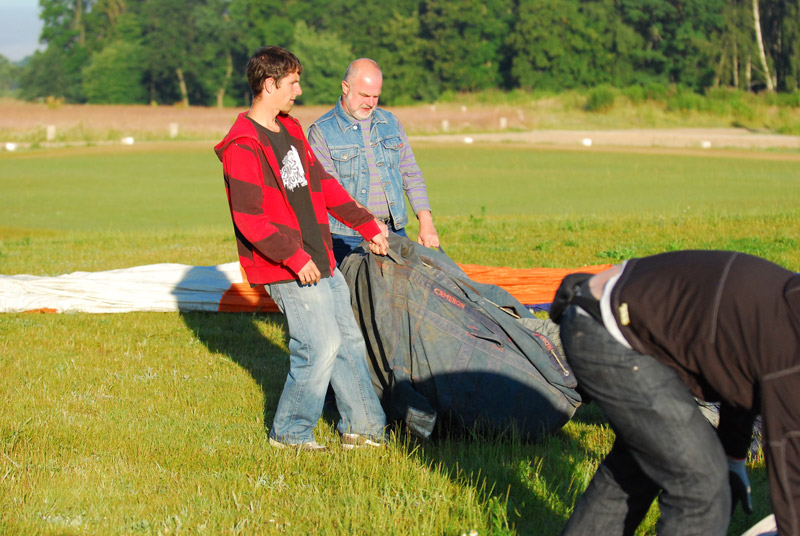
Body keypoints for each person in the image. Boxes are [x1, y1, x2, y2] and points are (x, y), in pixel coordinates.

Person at [549, 250, 799, 536]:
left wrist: (734, 458)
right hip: (605, 328)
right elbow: (791, 474)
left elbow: (741, 381)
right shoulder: (791, 351)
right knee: (701, 484)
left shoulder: (786, 313)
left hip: (618, 319)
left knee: (643, 461)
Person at [214, 46, 389, 450]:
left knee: (348, 340)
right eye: (292, 82)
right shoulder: (242, 145)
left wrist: (365, 223)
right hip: (288, 265)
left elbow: (322, 183)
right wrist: (294, 257)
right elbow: (250, 219)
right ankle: (290, 433)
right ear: (269, 84)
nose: (299, 89)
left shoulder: (290, 129)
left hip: (320, 256)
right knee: (319, 345)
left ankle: (364, 428)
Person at [307, 58, 439, 265]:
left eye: (376, 96)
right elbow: (331, 191)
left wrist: (426, 222)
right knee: (355, 296)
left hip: (394, 230)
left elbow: (410, 173)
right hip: (347, 236)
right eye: (364, 95)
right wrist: (368, 223)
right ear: (345, 87)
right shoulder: (321, 132)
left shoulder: (390, 122)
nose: (370, 103)